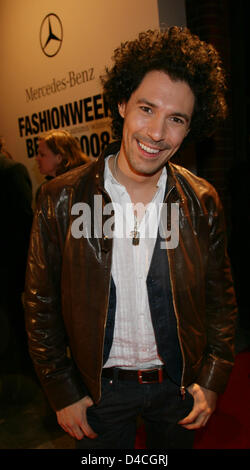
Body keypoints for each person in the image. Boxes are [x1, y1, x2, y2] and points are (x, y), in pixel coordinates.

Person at [24, 27, 237, 449]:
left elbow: (221, 300)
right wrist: (61, 390)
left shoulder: (201, 201)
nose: (157, 133)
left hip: (177, 389)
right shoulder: (60, 198)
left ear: (190, 128)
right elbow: (39, 302)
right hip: (98, 392)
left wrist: (212, 379)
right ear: (122, 103)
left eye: (176, 119)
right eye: (146, 108)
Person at [0, 139, 33, 379]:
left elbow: (25, 219)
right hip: (13, 260)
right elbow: (25, 218)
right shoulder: (11, 170)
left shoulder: (11, 170)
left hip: (11, 261)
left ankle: (25, 364)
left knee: (17, 315)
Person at [35, 129, 89, 200]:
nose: (37, 159)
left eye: (42, 155)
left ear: (59, 157)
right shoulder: (45, 189)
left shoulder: (83, 183)